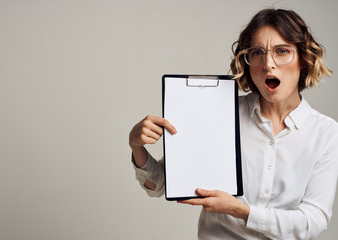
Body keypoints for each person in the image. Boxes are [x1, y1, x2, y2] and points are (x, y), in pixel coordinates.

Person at [129, 8, 338, 239]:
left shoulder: (326, 133)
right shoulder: (220, 113)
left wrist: (242, 212)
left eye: (282, 51)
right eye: (257, 52)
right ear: (247, 62)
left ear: (304, 59)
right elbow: (160, 185)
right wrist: (136, 146)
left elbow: (313, 220)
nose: (268, 64)